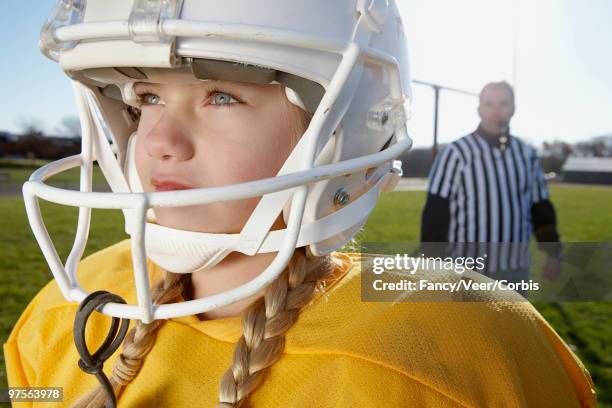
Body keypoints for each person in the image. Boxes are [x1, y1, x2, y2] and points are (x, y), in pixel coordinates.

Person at [4, 2, 596, 408]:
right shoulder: (64, 315)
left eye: (221, 97)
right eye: (148, 96)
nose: (158, 140)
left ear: (344, 132)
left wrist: (549, 253)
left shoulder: (449, 354)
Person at [421, 81, 563, 283]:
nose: (496, 110)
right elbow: (435, 214)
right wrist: (435, 265)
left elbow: (540, 208)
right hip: (466, 270)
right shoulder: (456, 153)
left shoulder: (527, 154)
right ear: (479, 109)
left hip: (515, 270)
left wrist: (552, 252)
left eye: (503, 103)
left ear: (513, 109)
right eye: (489, 104)